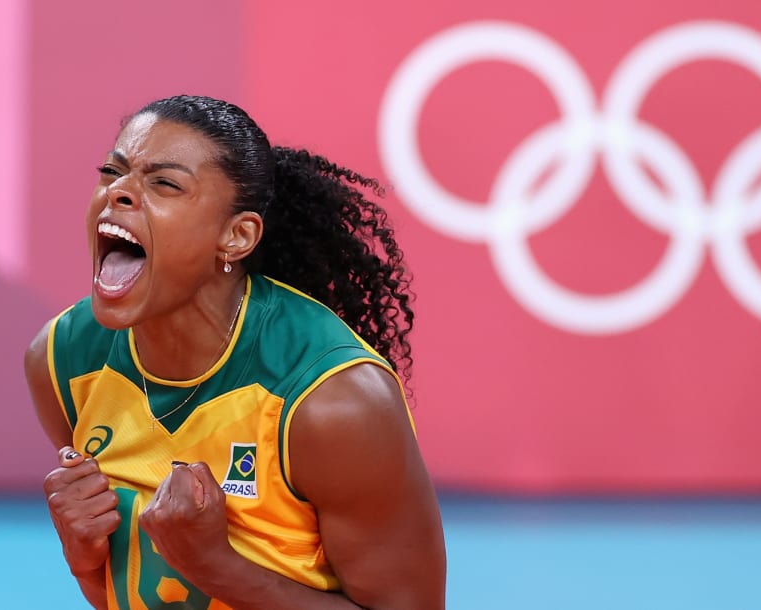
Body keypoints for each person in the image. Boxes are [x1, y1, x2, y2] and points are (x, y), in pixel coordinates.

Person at [23, 95, 447, 609]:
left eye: (164, 183)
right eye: (113, 171)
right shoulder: (64, 360)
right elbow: (130, 592)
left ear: (237, 236)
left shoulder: (332, 402)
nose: (119, 193)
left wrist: (213, 565)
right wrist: (85, 558)